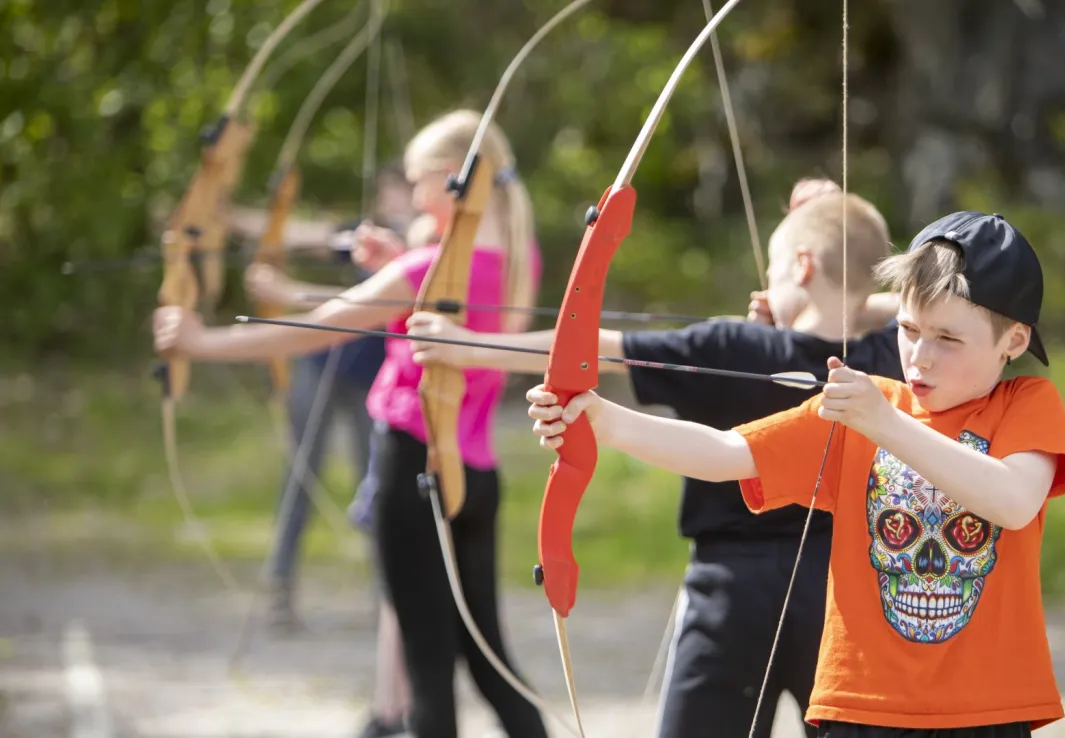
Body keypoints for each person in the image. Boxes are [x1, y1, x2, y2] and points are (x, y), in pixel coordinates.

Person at [524, 211, 1065, 738]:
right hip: (860, 703)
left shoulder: (1023, 405)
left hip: (986, 706)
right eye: (909, 329)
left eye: (948, 339)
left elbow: (1012, 500)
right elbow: (724, 452)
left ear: (1013, 341)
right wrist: (602, 419)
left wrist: (884, 423)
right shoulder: (867, 406)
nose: (920, 357)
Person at [407, 179, 903, 738]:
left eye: (774, 268)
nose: (765, 286)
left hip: (730, 591)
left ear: (804, 265)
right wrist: (851, 290)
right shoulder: (887, 357)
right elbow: (911, 301)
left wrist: (467, 344)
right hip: (841, 592)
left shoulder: (732, 346)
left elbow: (590, 344)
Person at [153, 109, 549, 738]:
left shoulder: (425, 268)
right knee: (489, 662)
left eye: (421, 181)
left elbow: (316, 332)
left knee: (427, 679)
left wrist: (198, 342)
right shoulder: (515, 256)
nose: (414, 196)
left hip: (413, 471)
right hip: (476, 478)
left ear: (453, 179)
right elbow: (403, 300)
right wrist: (394, 259)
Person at [235, 160, 416, 631]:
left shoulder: (422, 252)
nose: (396, 202)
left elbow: (372, 308)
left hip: (371, 384)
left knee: (376, 484)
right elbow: (303, 234)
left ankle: (391, 598)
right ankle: (279, 590)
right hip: (319, 368)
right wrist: (232, 219)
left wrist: (288, 291)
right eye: (390, 192)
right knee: (301, 478)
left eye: (406, 192)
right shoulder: (365, 236)